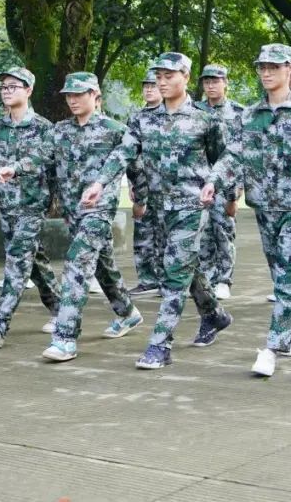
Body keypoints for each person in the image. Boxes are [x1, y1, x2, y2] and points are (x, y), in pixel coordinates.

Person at [86, 53, 232, 370]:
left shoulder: (206, 119)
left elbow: (224, 158)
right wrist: (99, 183)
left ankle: (160, 344)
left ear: (186, 77)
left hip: (192, 207)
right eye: (159, 76)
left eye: (169, 76)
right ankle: (213, 314)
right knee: (185, 264)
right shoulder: (143, 119)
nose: (162, 82)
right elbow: (123, 152)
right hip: (159, 208)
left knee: (173, 271)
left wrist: (221, 189)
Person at [204, 44, 291, 377]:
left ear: (289, 69)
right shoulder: (250, 114)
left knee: (289, 275)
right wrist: (213, 181)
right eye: (262, 67)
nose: (266, 73)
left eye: (274, 67)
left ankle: (273, 347)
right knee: (282, 276)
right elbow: (233, 155)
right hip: (265, 206)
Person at [40, 73, 144, 363]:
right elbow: (41, 160)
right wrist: (16, 168)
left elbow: (135, 166)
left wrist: (141, 199)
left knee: (77, 263)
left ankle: (65, 338)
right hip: (73, 211)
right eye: (69, 95)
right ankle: (127, 311)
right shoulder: (60, 130)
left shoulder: (115, 130)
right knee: (101, 263)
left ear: (95, 96)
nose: (72, 100)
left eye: (79, 94)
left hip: (99, 210)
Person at [0, 68, 63, 349]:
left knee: (17, 263)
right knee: (34, 262)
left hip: (32, 208)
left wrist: (17, 168)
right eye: (3, 87)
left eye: (13, 86)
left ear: (29, 90)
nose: (6, 91)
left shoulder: (44, 128)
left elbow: (45, 159)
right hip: (8, 209)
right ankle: (61, 309)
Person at [194, 64, 244, 300]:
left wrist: (236, 190)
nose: (211, 85)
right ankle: (206, 278)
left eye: (215, 81)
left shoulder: (239, 112)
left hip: (226, 182)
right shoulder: (194, 110)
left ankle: (224, 279)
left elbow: (242, 153)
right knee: (202, 232)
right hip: (198, 180)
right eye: (207, 82)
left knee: (223, 230)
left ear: (226, 83)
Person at [127, 69, 165, 296]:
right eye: (146, 86)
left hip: (164, 186)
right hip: (142, 183)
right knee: (142, 234)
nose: (149, 89)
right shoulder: (136, 117)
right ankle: (147, 279)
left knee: (164, 235)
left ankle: (166, 280)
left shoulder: (169, 115)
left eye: (153, 85)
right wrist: (133, 185)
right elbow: (130, 155)